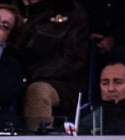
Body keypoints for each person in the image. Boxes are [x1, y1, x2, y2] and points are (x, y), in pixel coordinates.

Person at [17, 0, 89, 132]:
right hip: (14, 74)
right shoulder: (12, 8)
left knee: (38, 90)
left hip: (59, 81)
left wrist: (32, 74)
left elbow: (73, 58)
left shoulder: (70, 11)